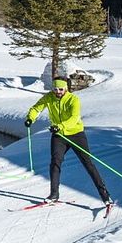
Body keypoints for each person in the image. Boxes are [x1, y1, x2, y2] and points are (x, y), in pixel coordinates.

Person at [24, 77, 112, 207]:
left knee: (88, 163)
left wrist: (60, 126)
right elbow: (37, 108)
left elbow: (74, 118)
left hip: (76, 134)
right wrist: (30, 118)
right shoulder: (49, 97)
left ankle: (105, 196)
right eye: (55, 89)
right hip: (59, 135)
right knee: (55, 162)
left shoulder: (73, 100)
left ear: (66, 88)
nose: (58, 91)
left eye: (61, 89)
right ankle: (54, 194)